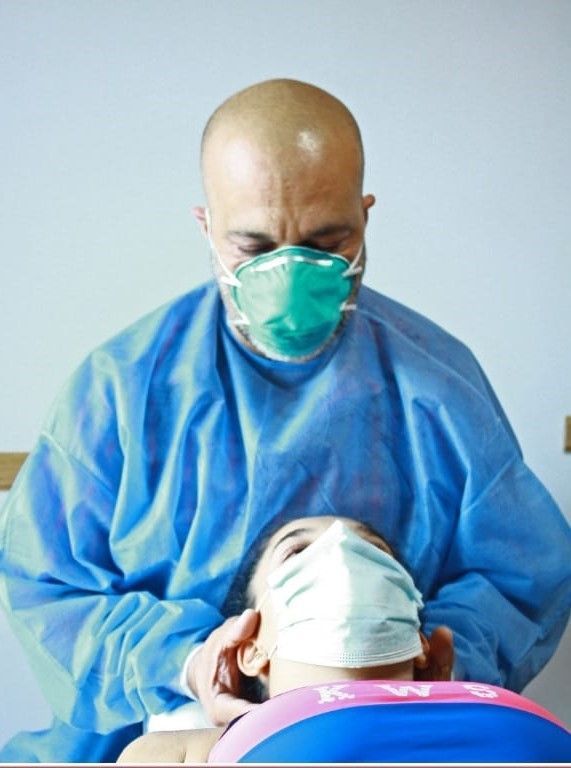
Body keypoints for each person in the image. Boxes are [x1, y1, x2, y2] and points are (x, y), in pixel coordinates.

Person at [0, 78, 569, 763]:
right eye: (254, 247)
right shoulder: (122, 392)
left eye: (327, 242)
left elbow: (522, 577)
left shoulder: (436, 390)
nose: (290, 276)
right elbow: (49, 586)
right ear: (207, 225)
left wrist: (405, 672)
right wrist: (183, 663)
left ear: (365, 216)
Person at [116, 516, 570, 763]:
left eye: (374, 551)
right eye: (297, 551)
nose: (340, 549)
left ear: (425, 644)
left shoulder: (485, 697)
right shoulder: (189, 750)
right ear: (248, 649)